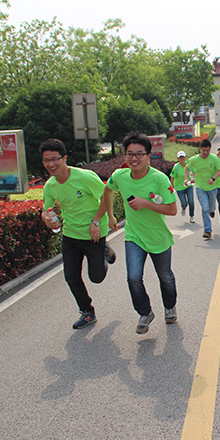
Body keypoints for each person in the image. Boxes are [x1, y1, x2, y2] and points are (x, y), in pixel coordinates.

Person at [103, 133, 178, 334]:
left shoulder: (159, 179)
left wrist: (145, 203)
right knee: (134, 277)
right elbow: (107, 190)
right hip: (134, 237)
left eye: (139, 154)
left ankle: (170, 307)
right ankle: (145, 312)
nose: (134, 158)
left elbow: (172, 209)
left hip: (158, 237)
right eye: (130, 154)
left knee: (165, 277)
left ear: (148, 157)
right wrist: (110, 215)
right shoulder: (120, 176)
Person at [40, 138, 115, 330]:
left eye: (55, 159)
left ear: (64, 158)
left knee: (96, 278)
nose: (51, 164)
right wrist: (47, 218)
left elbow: (106, 196)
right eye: (46, 160)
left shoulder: (84, 177)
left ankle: (104, 250)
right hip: (70, 234)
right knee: (71, 276)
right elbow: (46, 210)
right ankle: (87, 312)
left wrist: (96, 221)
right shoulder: (50, 185)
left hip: (93, 233)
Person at [184, 139, 220, 239]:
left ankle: (212, 210)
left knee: (211, 207)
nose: (205, 153)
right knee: (205, 208)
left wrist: (213, 178)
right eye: (203, 150)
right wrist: (186, 178)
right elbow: (187, 167)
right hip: (200, 188)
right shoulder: (194, 159)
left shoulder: (214, 158)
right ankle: (207, 231)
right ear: (200, 149)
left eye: (208, 150)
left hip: (212, 187)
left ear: (210, 149)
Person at [170, 151, 195, 224]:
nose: (182, 159)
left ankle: (191, 216)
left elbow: (194, 172)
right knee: (184, 203)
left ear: (185, 157)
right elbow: (172, 177)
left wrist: (194, 179)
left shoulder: (189, 164)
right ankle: (183, 208)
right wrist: (172, 188)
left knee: (191, 201)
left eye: (183, 157)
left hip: (189, 186)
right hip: (179, 188)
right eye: (180, 158)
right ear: (178, 159)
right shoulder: (176, 167)